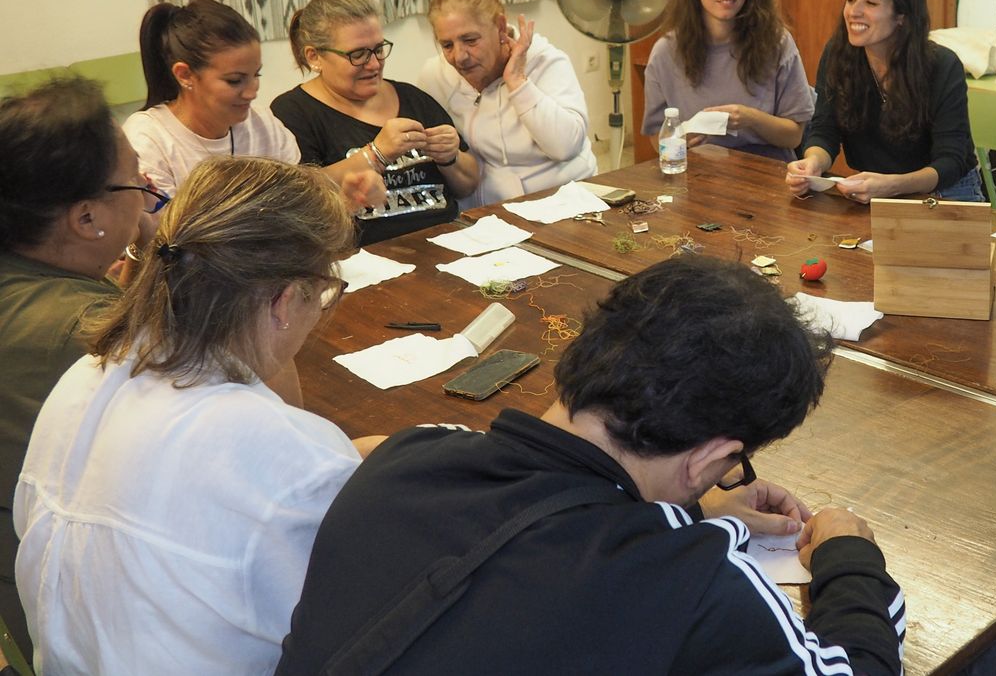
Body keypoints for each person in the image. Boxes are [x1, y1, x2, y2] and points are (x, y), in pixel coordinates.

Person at [276, 256, 906, 673]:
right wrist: (848, 556)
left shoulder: (404, 457)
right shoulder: (693, 585)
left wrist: (692, 504)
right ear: (712, 458)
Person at [12, 156, 387, 674]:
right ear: (282, 302)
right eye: (322, 293)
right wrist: (346, 473)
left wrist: (335, 464)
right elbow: (354, 619)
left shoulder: (87, 377)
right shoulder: (283, 453)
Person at [0, 77, 153, 662]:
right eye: (135, 181)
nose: (148, 191)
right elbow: (255, 411)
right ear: (87, 218)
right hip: (84, 613)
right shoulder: (87, 331)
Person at [127, 0, 385, 209]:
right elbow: (164, 241)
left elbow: (299, 212)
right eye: (235, 81)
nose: (252, 92)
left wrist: (345, 202)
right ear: (185, 75)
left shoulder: (263, 125)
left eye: (256, 75)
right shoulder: (149, 139)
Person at [272, 0, 481, 244]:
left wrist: (450, 157)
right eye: (357, 54)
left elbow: (468, 184)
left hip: (450, 241)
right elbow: (297, 198)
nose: (374, 64)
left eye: (378, 49)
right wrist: (375, 155)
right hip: (366, 255)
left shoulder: (411, 97)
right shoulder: (293, 112)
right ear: (314, 57)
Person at [785, 0, 980, 203]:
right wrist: (813, 163)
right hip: (876, 192)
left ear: (901, 15)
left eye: (871, 3)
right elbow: (825, 130)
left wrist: (892, 186)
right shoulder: (838, 54)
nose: (854, 12)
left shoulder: (943, 65)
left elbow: (950, 162)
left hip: (945, 193)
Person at [418, 0, 597, 207]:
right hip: (485, 213)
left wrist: (518, 82)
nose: (459, 56)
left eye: (470, 40)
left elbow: (566, 147)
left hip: (563, 201)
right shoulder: (435, 76)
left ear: (501, 27)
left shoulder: (545, 61)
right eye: (447, 45)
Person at [643, 0, 814, 161]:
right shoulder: (666, 52)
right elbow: (657, 136)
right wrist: (678, 141)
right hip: (698, 171)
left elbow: (794, 136)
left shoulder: (776, 43)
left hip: (767, 171)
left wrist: (750, 118)